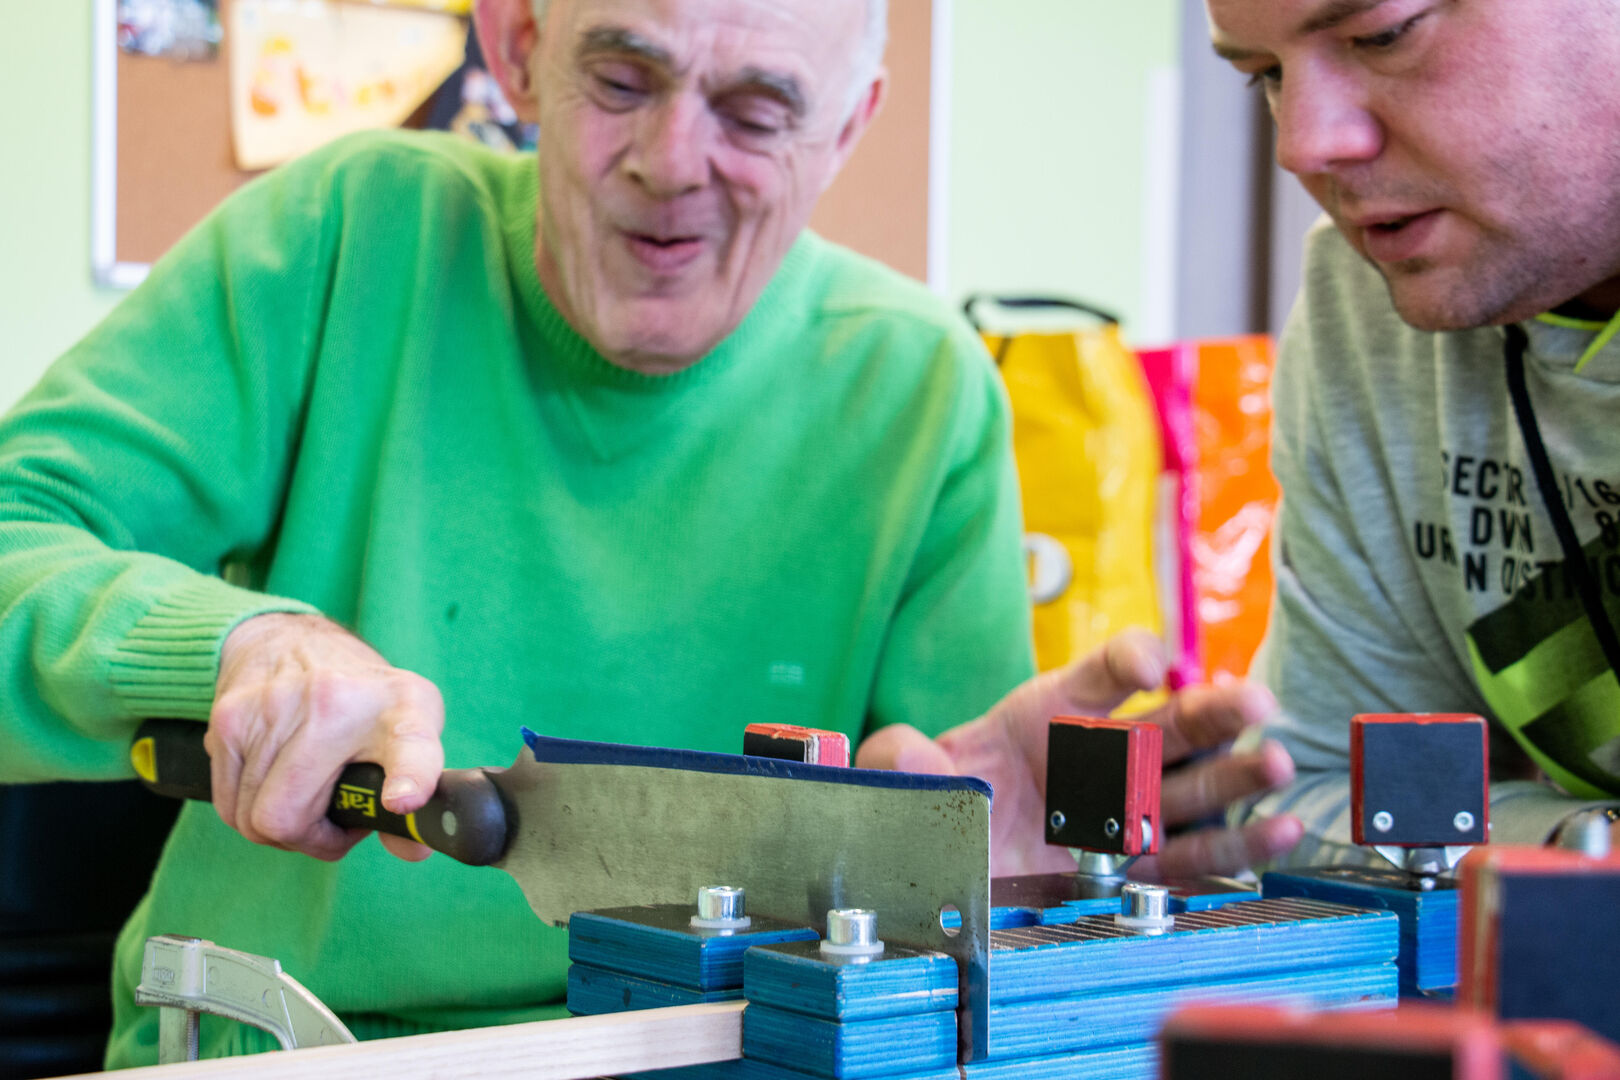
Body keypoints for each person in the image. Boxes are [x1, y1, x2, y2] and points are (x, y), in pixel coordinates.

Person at [0, 0, 1289, 1065]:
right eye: (623, 76)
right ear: (516, 48)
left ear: (847, 128)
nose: (672, 160)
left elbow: (942, 964)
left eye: (756, 111)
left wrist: (995, 898)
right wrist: (238, 646)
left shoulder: (919, 393)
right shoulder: (347, 236)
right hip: (300, 1051)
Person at [1200, 0, 1620, 859]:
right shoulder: (1365, 300)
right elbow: (1313, 798)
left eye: (1384, 35)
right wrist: (1580, 850)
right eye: (1266, 75)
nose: (1303, 146)